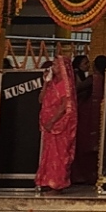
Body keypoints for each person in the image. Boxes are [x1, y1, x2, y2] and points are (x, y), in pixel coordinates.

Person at [36, 56, 77, 192]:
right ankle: (46, 180)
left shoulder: (66, 84)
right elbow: (41, 100)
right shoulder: (52, 82)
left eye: (55, 64)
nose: (52, 66)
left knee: (59, 154)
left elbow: (66, 105)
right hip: (49, 125)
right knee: (48, 153)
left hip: (60, 124)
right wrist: (46, 83)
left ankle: (58, 182)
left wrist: (53, 121)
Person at [72, 54, 102, 188]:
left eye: (88, 63)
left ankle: (82, 175)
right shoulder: (90, 78)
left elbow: (77, 89)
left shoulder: (92, 78)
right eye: (85, 63)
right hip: (87, 114)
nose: (87, 65)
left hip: (87, 115)